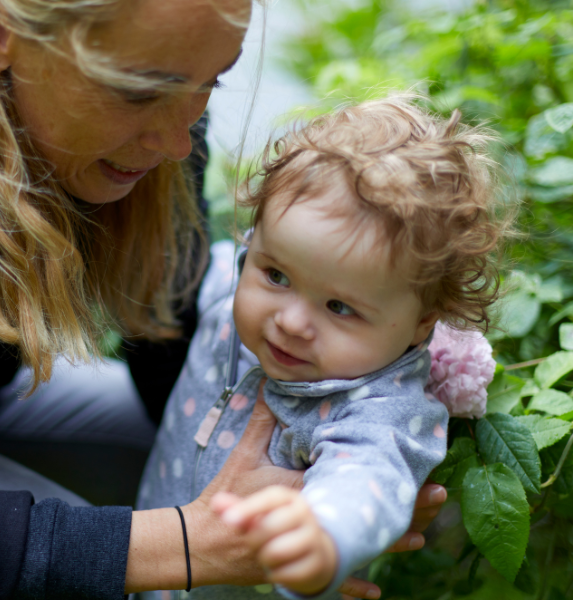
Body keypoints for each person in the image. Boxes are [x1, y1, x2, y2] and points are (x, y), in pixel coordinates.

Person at [0, 0, 446, 598]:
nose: (179, 141)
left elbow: (171, 347)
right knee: (91, 579)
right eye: (136, 93)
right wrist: (189, 545)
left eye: (209, 81)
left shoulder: (160, 90)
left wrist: (324, 492)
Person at [137, 97, 509, 599]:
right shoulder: (234, 284)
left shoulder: (377, 407)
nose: (289, 321)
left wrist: (322, 536)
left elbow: (367, 481)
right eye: (277, 275)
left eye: (339, 307)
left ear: (422, 322)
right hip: (150, 561)